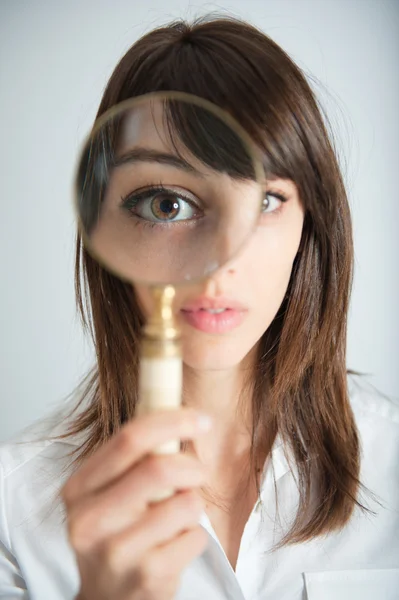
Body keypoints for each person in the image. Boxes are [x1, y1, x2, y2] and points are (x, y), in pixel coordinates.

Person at [0, 15, 398, 600]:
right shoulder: (12, 511)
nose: (218, 262)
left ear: (309, 227)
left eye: (264, 200)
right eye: (167, 205)